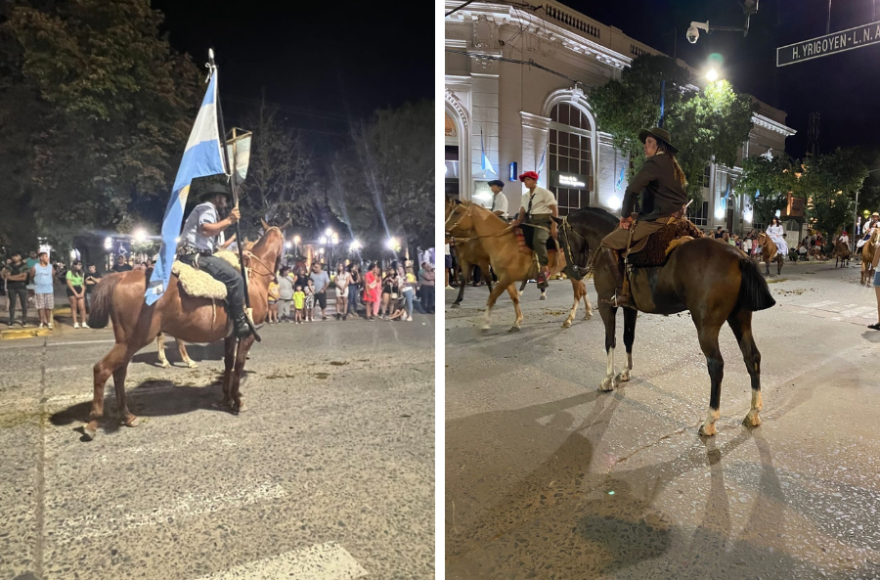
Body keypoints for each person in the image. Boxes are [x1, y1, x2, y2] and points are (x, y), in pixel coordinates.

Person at [599, 127, 688, 308]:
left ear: (660, 146)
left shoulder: (655, 162)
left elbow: (632, 190)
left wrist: (624, 217)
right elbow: (662, 200)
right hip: (678, 221)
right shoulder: (673, 167)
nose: (645, 146)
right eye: (645, 142)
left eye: (649, 142)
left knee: (606, 243)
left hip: (659, 222)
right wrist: (636, 215)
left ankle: (622, 292)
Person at [176, 184, 252, 338]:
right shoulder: (207, 208)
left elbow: (216, 246)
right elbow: (205, 230)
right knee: (236, 279)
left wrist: (238, 252)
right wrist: (230, 220)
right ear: (218, 197)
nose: (225, 201)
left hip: (199, 253)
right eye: (224, 198)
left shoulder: (209, 211)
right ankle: (239, 322)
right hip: (195, 256)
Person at [510, 171, 557, 285]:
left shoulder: (544, 193)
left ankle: (545, 269)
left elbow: (554, 209)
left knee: (538, 240)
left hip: (543, 222)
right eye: (524, 180)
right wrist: (517, 221)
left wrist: (554, 226)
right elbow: (522, 210)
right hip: (530, 221)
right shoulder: (525, 196)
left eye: (528, 180)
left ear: (535, 181)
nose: (525, 182)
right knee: (512, 235)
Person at [2, 251, 30, 327]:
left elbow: (24, 277)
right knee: (12, 304)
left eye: (16, 256)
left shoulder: (24, 266)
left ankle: (24, 321)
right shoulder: (9, 266)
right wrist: (19, 276)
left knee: (24, 304)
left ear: (20, 257)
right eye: (13, 256)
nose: (14, 258)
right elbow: (7, 277)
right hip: (11, 287)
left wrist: (12, 277)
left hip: (22, 286)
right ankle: (11, 321)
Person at [31, 251, 54, 329]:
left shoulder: (50, 267)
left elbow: (53, 276)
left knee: (48, 307)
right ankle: (41, 322)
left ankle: (48, 322)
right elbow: (31, 275)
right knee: (41, 307)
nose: (48, 258)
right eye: (46, 256)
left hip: (49, 290)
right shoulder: (36, 266)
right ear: (41, 258)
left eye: (47, 256)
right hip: (39, 290)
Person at [66, 261, 88, 328]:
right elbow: (69, 283)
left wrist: (82, 292)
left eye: (80, 265)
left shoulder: (82, 273)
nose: (79, 266)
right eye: (78, 265)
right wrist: (75, 293)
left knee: (82, 307)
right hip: (72, 289)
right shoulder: (69, 272)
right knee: (74, 307)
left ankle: (84, 322)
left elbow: (84, 283)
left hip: (80, 288)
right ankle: (75, 323)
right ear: (74, 265)